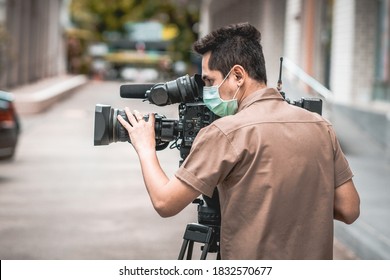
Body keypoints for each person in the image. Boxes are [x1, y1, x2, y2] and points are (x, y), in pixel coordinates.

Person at [117, 22, 360, 260]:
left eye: (210, 81)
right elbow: (349, 209)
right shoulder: (320, 126)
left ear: (237, 75)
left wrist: (145, 147)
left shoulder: (225, 132)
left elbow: (164, 202)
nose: (207, 91)